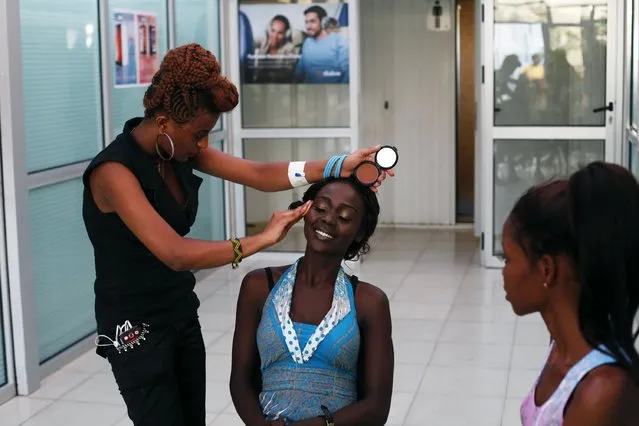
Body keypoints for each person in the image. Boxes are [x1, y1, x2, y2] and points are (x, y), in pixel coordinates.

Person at [82, 43, 391, 426]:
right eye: (199, 134)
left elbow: (259, 174)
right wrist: (260, 241)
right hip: (133, 326)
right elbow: (174, 253)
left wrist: (337, 164)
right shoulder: (113, 172)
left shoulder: (176, 148)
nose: (203, 145)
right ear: (164, 124)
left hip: (177, 307)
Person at [230, 177, 394, 425]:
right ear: (304, 211)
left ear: (360, 231)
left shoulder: (370, 302)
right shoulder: (258, 286)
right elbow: (240, 381)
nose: (328, 219)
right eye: (320, 208)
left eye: (345, 216)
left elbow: (377, 407)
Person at [501, 162, 639, 425]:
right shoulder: (560, 346)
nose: (504, 273)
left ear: (546, 270)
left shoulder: (600, 393)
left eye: (508, 259)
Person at [294, 5, 349, 84]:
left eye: (312, 21)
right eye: (306, 22)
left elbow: (348, 73)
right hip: (308, 91)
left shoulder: (339, 41)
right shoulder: (307, 42)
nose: (308, 26)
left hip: (332, 92)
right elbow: (299, 71)